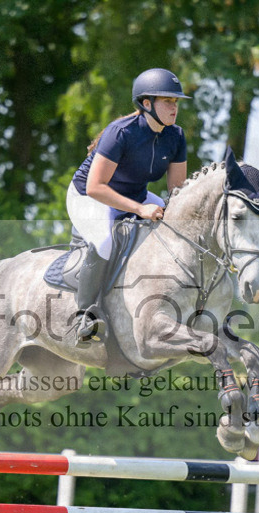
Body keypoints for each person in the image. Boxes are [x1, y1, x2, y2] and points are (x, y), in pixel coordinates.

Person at [67, 67, 192, 342]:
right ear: (146, 104)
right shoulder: (120, 133)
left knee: (178, 226)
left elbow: (177, 192)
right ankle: (84, 317)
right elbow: (95, 186)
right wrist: (139, 210)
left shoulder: (176, 136)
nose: (174, 108)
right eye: (168, 101)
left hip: (135, 194)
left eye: (176, 102)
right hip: (90, 197)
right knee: (104, 241)